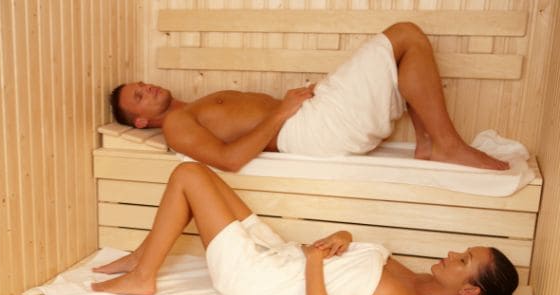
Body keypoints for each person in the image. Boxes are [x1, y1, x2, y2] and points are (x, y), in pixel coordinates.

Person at [91, 162, 527, 295]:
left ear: (469, 291)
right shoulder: (414, 277)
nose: (452, 255)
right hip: (281, 254)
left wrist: (316, 262)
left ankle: (144, 275)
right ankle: (143, 254)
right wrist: (343, 236)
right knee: (206, 176)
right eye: (462, 250)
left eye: (463, 261)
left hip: (257, 280)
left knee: (189, 174)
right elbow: (359, 260)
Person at [111, 22, 509, 172]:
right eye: (139, 97)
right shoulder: (178, 126)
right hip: (304, 131)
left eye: (142, 85)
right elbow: (230, 160)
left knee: (406, 48)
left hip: (308, 116)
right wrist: (282, 112)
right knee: (405, 37)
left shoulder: (193, 107)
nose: (147, 88)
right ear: (142, 122)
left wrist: (295, 102)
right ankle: (448, 145)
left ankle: (429, 144)